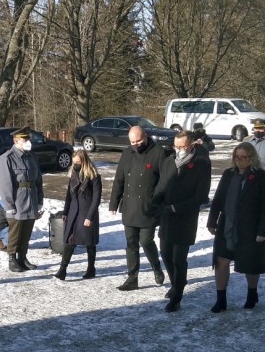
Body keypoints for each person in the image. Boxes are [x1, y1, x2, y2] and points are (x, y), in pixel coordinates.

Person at [207, 142, 265, 312]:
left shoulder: (262, 177)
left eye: (243, 158)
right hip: (227, 226)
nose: (239, 161)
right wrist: (212, 221)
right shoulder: (228, 174)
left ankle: (252, 293)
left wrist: (262, 231)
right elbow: (218, 199)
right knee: (221, 261)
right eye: (236, 157)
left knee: (250, 264)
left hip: (250, 229)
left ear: (252, 158)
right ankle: (220, 299)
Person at [152, 130, 211, 312]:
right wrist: (154, 202)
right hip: (167, 217)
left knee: (179, 258)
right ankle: (176, 283)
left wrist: (177, 207)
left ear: (191, 145)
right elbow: (161, 186)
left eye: (182, 147)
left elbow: (201, 196)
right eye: (176, 146)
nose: (178, 150)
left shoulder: (201, 164)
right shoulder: (169, 162)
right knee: (166, 254)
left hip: (185, 218)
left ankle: (177, 296)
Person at [109, 125, 167, 291]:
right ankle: (132, 277)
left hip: (149, 206)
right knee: (131, 243)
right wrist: (114, 202)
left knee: (146, 241)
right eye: (132, 142)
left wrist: (158, 201)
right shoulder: (127, 153)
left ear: (146, 136)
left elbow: (165, 182)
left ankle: (156, 267)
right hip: (129, 206)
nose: (136, 145)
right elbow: (119, 179)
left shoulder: (159, 153)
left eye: (139, 141)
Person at [0, 126, 44, 272]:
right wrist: (9, 204)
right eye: (25, 139)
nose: (28, 142)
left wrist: (40, 200)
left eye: (28, 139)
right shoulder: (7, 158)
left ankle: (22, 258)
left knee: (26, 232)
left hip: (31, 200)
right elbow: (5, 184)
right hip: (17, 201)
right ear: (17, 141)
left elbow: (38, 180)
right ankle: (12, 259)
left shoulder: (31, 157)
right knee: (15, 233)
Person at [53, 150, 102, 280]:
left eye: (78, 162)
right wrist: (65, 212)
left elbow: (96, 199)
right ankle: (62, 270)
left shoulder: (94, 176)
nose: (76, 164)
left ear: (84, 162)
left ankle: (91, 268)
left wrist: (89, 217)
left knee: (90, 242)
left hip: (87, 213)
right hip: (74, 212)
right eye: (74, 162)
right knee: (70, 240)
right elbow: (68, 195)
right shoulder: (73, 175)